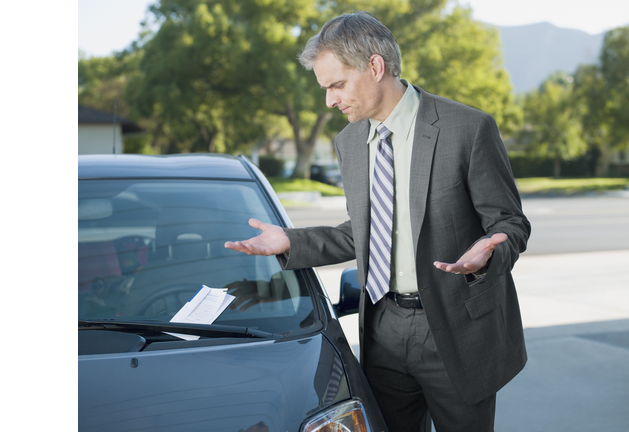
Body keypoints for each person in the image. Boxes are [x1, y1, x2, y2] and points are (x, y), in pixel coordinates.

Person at [225, 11, 530, 432]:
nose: (330, 100)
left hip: (455, 332)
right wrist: (290, 242)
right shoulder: (349, 141)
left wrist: (489, 253)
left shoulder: (467, 129)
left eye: (337, 85)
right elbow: (365, 231)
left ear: (375, 67)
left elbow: (512, 223)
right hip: (381, 330)